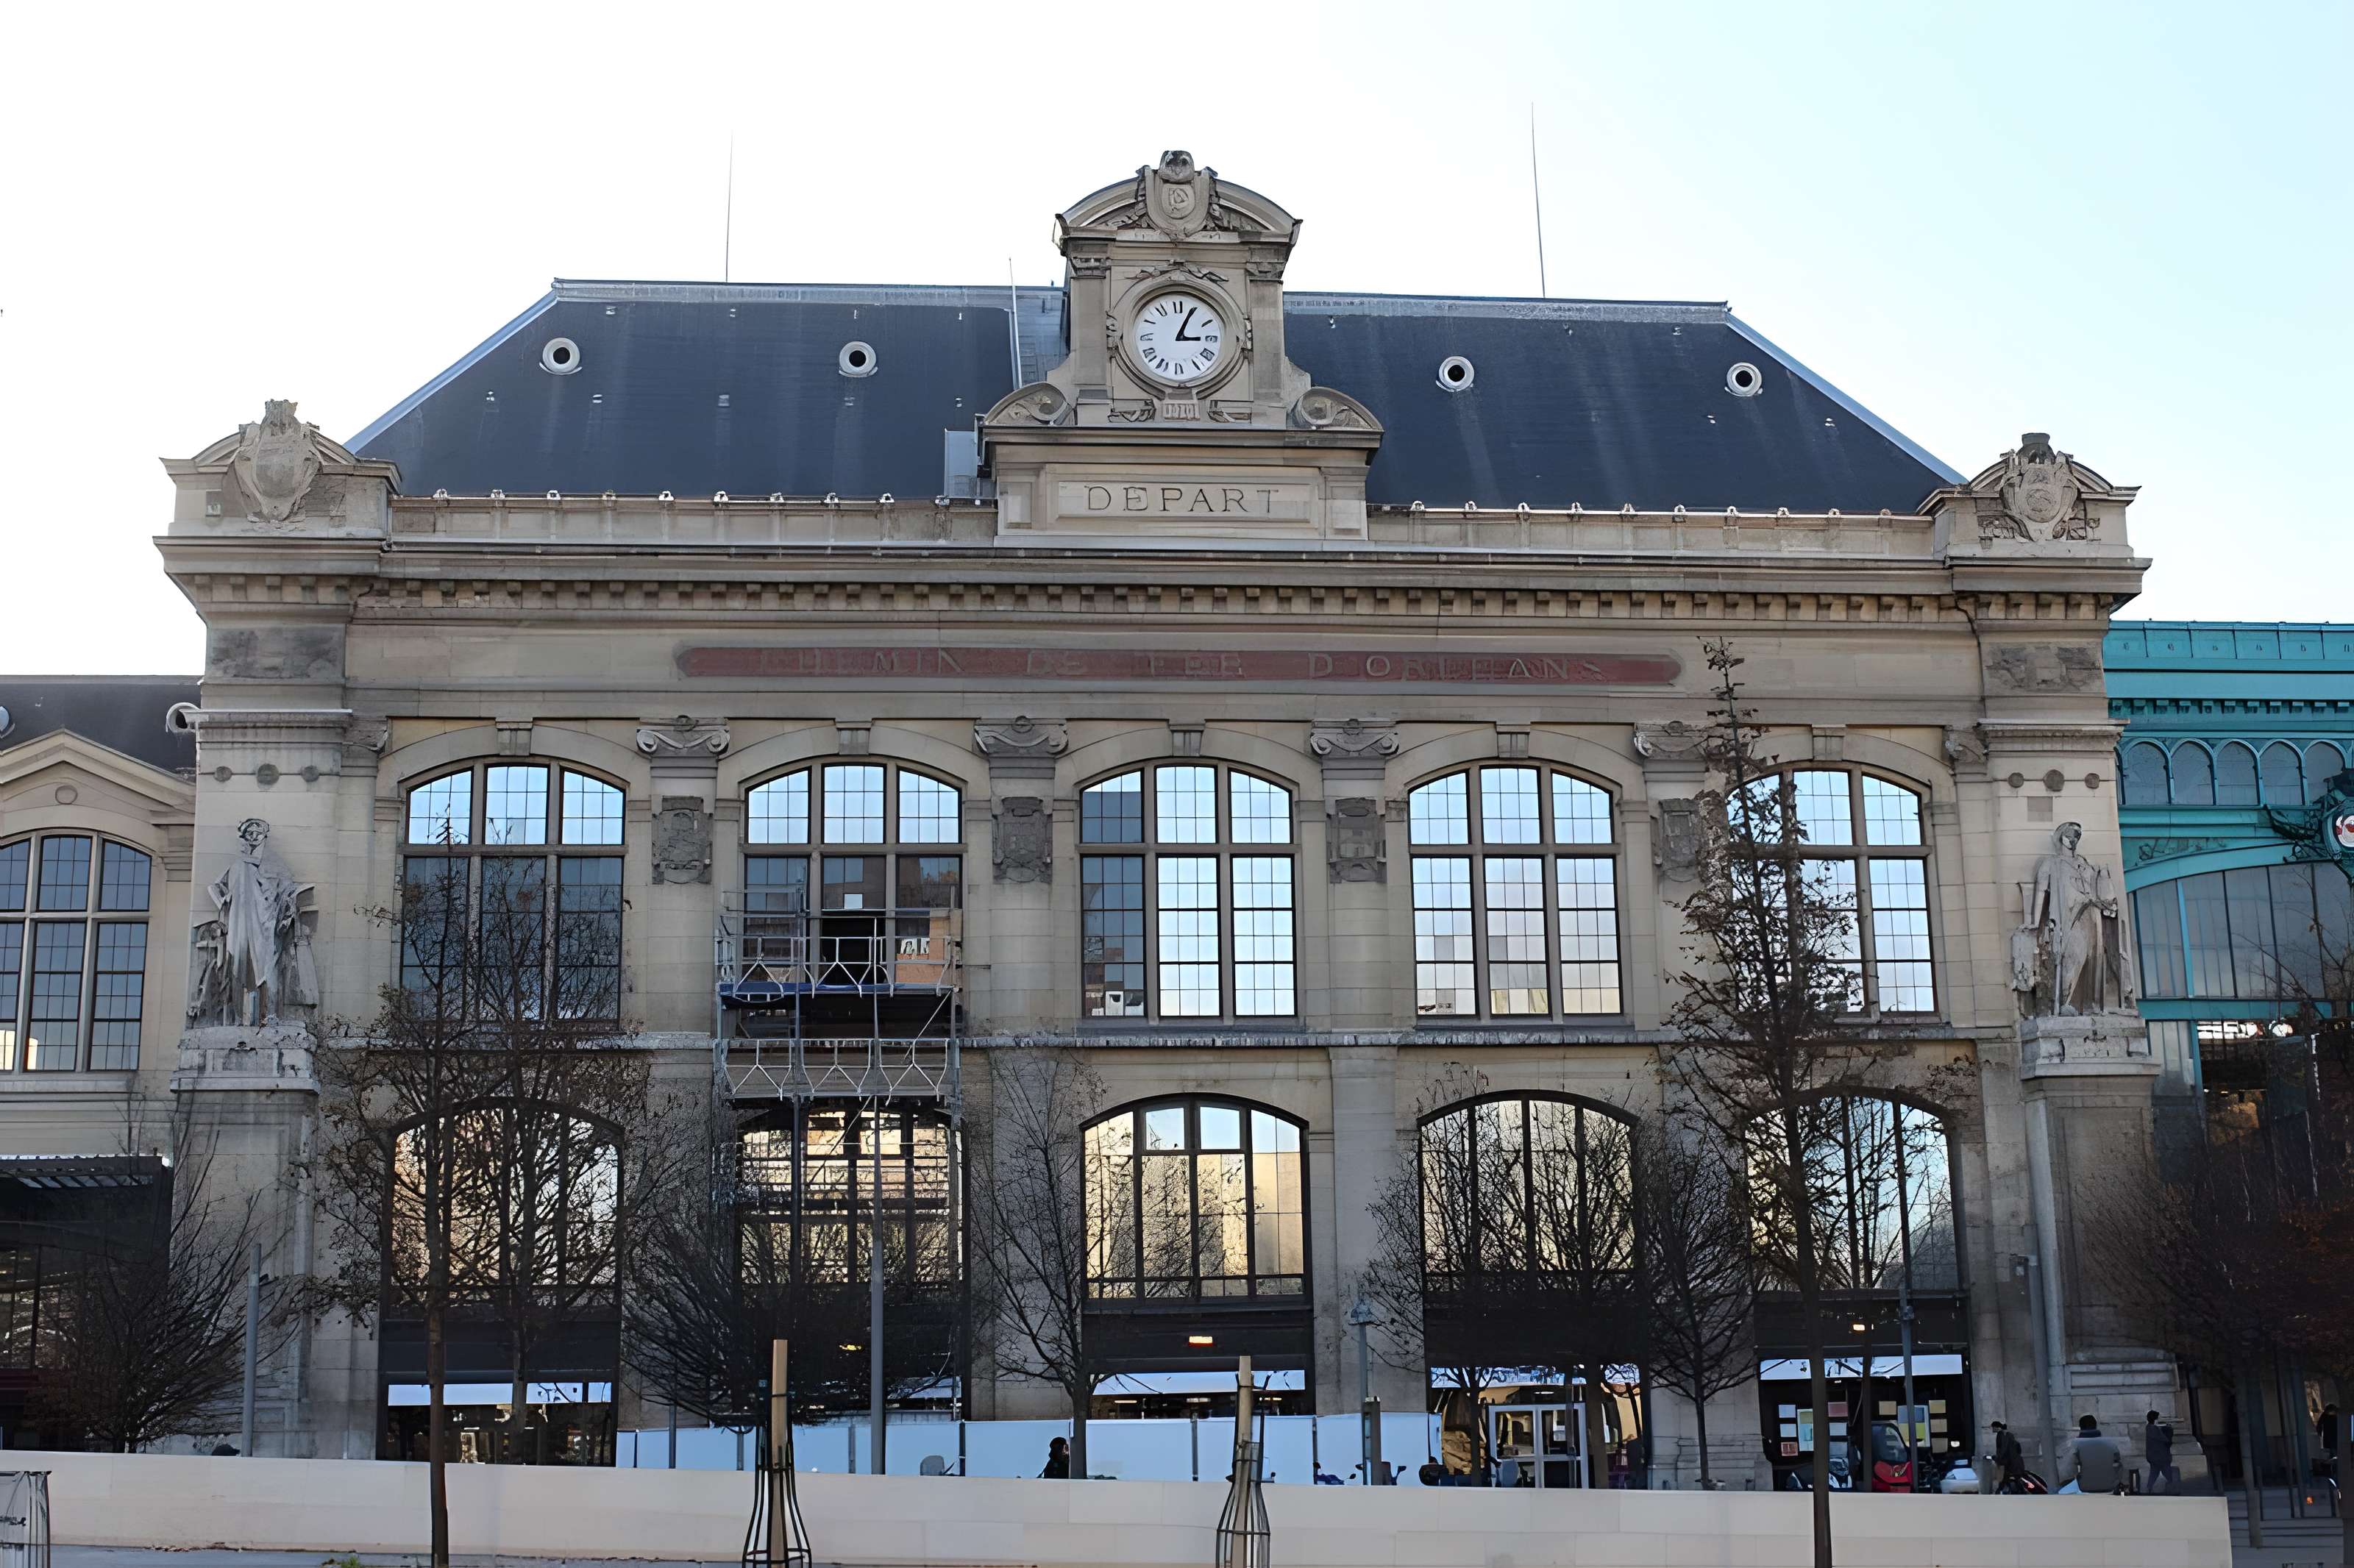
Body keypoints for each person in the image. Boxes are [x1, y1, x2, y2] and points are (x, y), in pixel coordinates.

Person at [2070, 1415, 2125, 1494]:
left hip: (2084, 1487)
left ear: (2081, 1427)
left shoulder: (2074, 1445)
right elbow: (2120, 1467)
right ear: (2095, 1426)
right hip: (2109, 1486)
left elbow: (2068, 1472)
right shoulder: (2111, 1445)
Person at [2142, 1410, 2178, 1495]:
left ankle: (2149, 1488)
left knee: (2154, 1472)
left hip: (2153, 1456)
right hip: (2160, 1456)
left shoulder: (2149, 1427)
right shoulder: (2154, 1428)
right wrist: (2168, 1430)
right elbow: (2165, 1440)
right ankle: (2171, 1486)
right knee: (2166, 1471)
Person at [1991, 1420, 2024, 1493]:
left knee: (2004, 1478)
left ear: (1996, 1427)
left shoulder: (2001, 1434)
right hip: (2014, 1461)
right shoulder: (2009, 1434)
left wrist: (1998, 1458)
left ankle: (1999, 1492)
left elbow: (2003, 1448)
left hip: (2008, 1462)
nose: (1992, 1430)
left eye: (1993, 1428)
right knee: (2010, 1479)